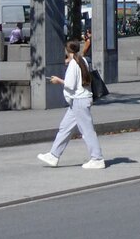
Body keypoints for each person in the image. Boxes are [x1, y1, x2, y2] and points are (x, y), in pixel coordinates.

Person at [37, 40, 105, 170]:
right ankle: (54, 155)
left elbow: (70, 84)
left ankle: (97, 158)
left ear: (67, 51)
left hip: (79, 101)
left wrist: (57, 80)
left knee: (87, 131)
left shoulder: (74, 64)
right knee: (65, 128)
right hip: (79, 101)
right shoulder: (82, 60)